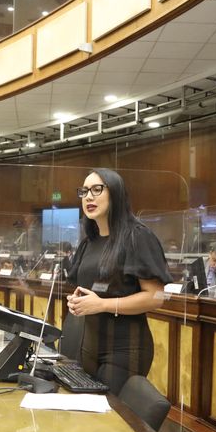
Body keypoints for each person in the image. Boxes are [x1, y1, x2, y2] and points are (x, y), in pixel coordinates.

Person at [63, 168, 171, 395]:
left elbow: (155, 297)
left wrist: (101, 304)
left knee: (111, 422)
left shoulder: (137, 236)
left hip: (125, 349)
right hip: (89, 347)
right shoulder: (88, 242)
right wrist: (78, 301)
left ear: (116, 193)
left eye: (96, 189)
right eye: (84, 191)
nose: (88, 197)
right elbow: (89, 289)